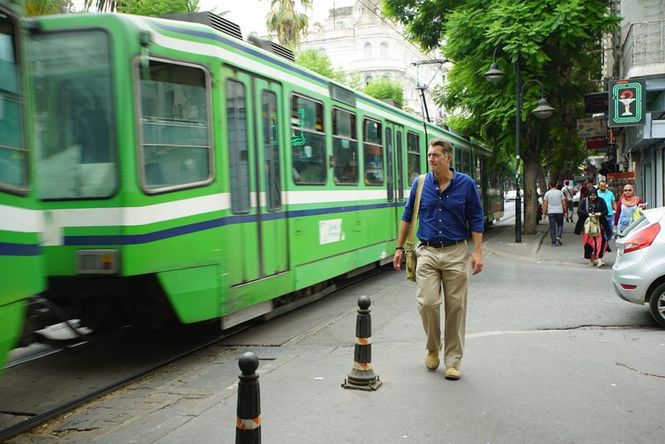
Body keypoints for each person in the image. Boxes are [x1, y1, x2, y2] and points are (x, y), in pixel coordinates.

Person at [392, 139, 484, 381]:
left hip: (455, 252)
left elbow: (476, 218)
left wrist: (477, 252)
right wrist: (399, 247)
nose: (431, 159)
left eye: (435, 155)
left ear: (448, 158)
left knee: (456, 308)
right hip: (428, 252)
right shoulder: (420, 183)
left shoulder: (466, 184)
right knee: (428, 303)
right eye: (429, 155)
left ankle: (453, 361)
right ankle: (433, 346)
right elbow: (408, 215)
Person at [575, 188, 609, 267]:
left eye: (594, 195)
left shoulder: (601, 200)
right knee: (589, 242)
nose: (593, 197)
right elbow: (579, 210)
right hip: (587, 226)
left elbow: (606, 211)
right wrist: (588, 214)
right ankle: (591, 258)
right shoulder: (584, 201)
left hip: (599, 225)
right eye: (591, 196)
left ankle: (599, 259)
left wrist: (600, 214)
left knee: (600, 241)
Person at [543, 182, 567, 246]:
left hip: (551, 212)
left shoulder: (547, 193)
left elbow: (545, 204)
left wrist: (544, 214)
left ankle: (553, 243)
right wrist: (565, 212)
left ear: (549, 186)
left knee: (552, 227)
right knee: (560, 225)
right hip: (559, 211)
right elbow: (564, 203)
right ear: (556, 185)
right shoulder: (560, 192)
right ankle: (558, 236)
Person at [597, 180, 616, 250]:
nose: (603, 187)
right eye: (601, 186)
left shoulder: (610, 193)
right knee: (600, 231)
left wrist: (616, 211)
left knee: (610, 231)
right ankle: (602, 245)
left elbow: (613, 202)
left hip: (610, 215)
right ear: (599, 186)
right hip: (600, 215)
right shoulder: (596, 193)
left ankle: (604, 242)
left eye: (604, 186)